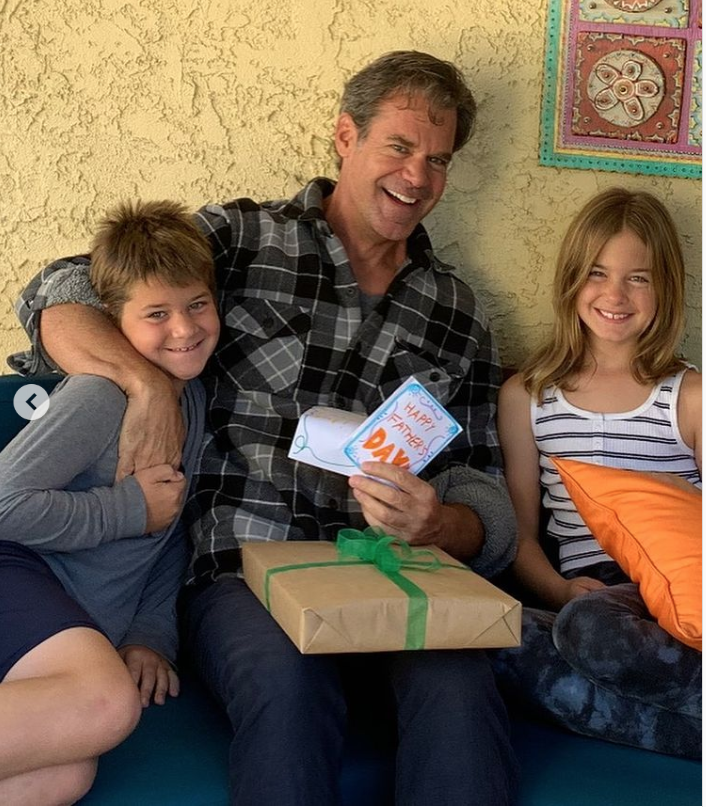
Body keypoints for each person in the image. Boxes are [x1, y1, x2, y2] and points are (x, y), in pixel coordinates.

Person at [12, 52, 519, 805]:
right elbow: (57, 292)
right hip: (240, 572)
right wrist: (145, 385)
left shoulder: (456, 310)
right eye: (400, 146)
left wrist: (442, 522)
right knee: (287, 686)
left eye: (438, 159)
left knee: (463, 686)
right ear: (346, 136)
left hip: (390, 573)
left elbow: (483, 483)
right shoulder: (240, 239)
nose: (417, 177)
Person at [0, 200, 220, 805]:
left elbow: (169, 532)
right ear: (113, 320)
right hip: (17, 572)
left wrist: (150, 634)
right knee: (104, 703)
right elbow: (3, 504)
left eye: (198, 304)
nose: (184, 329)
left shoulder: (192, 399)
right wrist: (127, 510)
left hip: (66, 623)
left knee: (63, 777)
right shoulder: (101, 396)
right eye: (157, 314)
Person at [490, 187, 702, 759]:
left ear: (666, 287)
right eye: (597, 273)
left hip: (675, 602)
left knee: (588, 630)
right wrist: (558, 589)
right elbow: (521, 538)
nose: (615, 295)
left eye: (639, 278)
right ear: (571, 280)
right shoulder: (528, 396)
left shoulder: (690, 396)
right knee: (495, 638)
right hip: (585, 597)